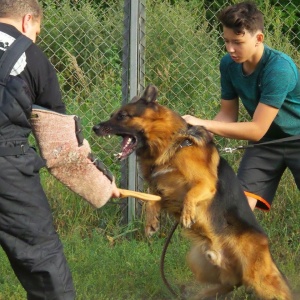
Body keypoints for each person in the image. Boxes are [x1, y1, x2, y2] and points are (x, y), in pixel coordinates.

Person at [0, 0, 120, 299]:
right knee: (43, 263)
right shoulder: (30, 55)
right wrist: (103, 186)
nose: (35, 36)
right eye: (37, 30)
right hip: (7, 172)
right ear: (28, 20)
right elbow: (61, 148)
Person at [183, 1, 300, 211]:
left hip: (296, 137)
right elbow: (227, 115)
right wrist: (199, 133)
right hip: (267, 142)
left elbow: (256, 129)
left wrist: (202, 122)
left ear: (259, 39)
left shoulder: (279, 68)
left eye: (237, 42)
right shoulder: (228, 64)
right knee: (238, 207)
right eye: (226, 41)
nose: (230, 49)